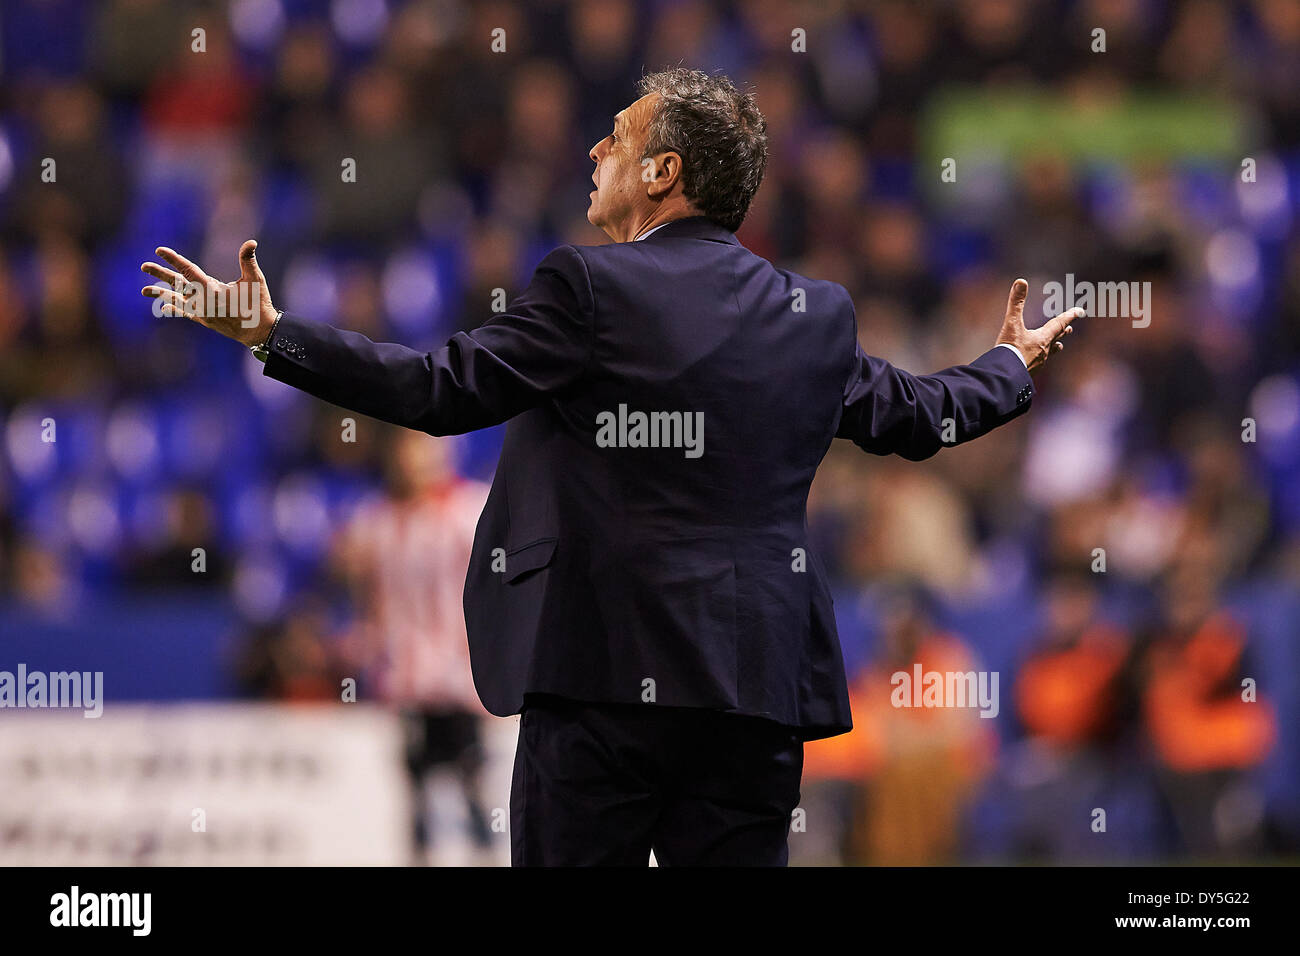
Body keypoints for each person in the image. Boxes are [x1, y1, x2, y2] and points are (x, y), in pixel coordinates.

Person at [139, 68, 1081, 866]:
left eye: (616, 138)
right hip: (754, 690)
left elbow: (436, 392)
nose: (595, 152)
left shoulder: (589, 285)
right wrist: (1007, 366)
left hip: (602, 682)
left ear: (663, 172)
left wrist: (273, 335)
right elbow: (919, 417)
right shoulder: (813, 312)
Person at [333, 428, 493, 864]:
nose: (415, 460)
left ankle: (485, 856)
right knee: (417, 785)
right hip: (406, 677)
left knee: (472, 779)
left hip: (460, 677)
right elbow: (362, 589)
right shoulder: (376, 519)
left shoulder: (470, 510)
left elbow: (499, 589)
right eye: (407, 449)